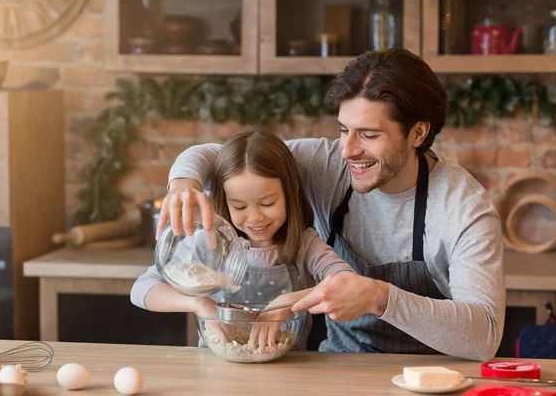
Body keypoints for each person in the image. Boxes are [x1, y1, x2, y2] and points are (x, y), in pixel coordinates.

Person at [156, 48, 506, 362]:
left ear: (417, 133)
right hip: (339, 367)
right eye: (343, 130)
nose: (348, 150)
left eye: (369, 135)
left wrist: (378, 297)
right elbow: (222, 156)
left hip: (430, 375)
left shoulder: (463, 207)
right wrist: (184, 183)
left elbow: (484, 335)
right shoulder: (325, 164)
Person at [130, 128, 355, 352]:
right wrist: (198, 304)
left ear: (292, 193)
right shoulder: (209, 242)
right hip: (217, 375)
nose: (255, 217)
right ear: (224, 200)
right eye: (239, 206)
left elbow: (349, 284)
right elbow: (141, 289)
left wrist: (287, 303)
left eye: (267, 203)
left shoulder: (305, 245)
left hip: (288, 374)